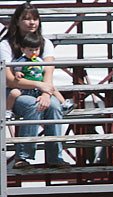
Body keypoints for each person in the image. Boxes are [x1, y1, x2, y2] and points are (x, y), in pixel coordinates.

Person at [1, 1, 68, 169]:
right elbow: (9, 79)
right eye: (26, 19)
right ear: (17, 21)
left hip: (41, 91)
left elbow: (48, 73)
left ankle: (55, 157)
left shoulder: (45, 43)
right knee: (32, 105)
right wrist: (39, 86)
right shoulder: (5, 45)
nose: (32, 23)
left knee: (53, 106)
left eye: (35, 19)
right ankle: (23, 157)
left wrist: (46, 93)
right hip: (14, 93)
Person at [8, 31, 72, 114]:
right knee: (14, 93)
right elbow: (16, 69)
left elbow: (44, 70)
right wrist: (18, 73)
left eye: (36, 50)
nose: (34, 52)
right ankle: (8, 110)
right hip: (25, 88)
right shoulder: (21, 61)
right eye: (30, 50)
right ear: (23, 50)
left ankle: (64, 104)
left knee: (52, 88)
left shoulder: (39, 60)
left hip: (39, 87)